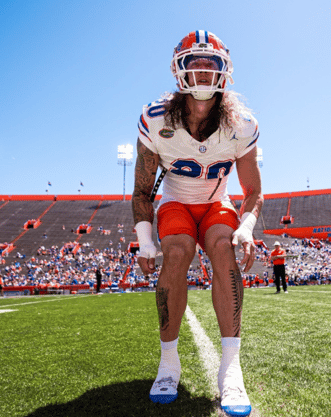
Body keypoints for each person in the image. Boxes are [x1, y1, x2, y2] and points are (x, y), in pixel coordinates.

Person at [132, 30, 262, 416]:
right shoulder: (155, 119)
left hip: (216, 204)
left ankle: (231, 369)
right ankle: (168, 363)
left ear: (225, 71)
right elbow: (141, 191)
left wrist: (247, 226)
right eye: (195, 62)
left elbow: (253, 189)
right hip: (176, 203)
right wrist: (144, 240)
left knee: (224, 249)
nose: (203, 71)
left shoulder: (242, 124)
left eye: (211, 64)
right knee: (175, 252)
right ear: (179, 69)